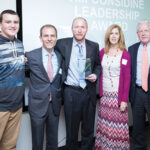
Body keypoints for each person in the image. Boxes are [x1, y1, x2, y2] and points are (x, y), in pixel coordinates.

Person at [55, 17, 100, 150]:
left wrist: (96, 74)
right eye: (76, 27)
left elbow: (97, 65)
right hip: (71, 92)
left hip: (88, 91)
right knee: (71, 130)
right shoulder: (62, 44)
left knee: (88, 129)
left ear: (86, 29)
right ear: (72, 28)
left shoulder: (94, 46)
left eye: (82, 27)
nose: (79, 30)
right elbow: (48, 51)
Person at [25, 24, 62, 150]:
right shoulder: (30, 56)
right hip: (37, 105)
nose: (49, 39)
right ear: (40, 38)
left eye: (52, 36)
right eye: (46, 35)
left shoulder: (60, 56)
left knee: (53, 141)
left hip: (54, 105)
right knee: (37, 142)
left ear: (56, 38)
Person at [95, 24, 131, 150]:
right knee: (105, 126)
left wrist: (124, 100)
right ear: (108, 35)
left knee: (117, 128)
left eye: (116, 33)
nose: (114, 36)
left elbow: (127, 78)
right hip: (105, 96)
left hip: (118, 96)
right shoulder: (102, 52)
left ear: (120, 36)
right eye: (111, 33)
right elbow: (98, 69)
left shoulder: (125, 54)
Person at [0, 10, 25, 150]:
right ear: (0, 24)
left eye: (15, 22)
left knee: (9, 146)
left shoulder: (19, 44)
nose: (12, 25)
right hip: (0, 107)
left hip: (16, 105)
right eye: (8, 21)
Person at [128, 20, 150, 150]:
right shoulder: (132, 49)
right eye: (140, 31)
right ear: (137, 34)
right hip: (137, 93)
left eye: (146, 30)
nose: (143, 33)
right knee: (137, 127)